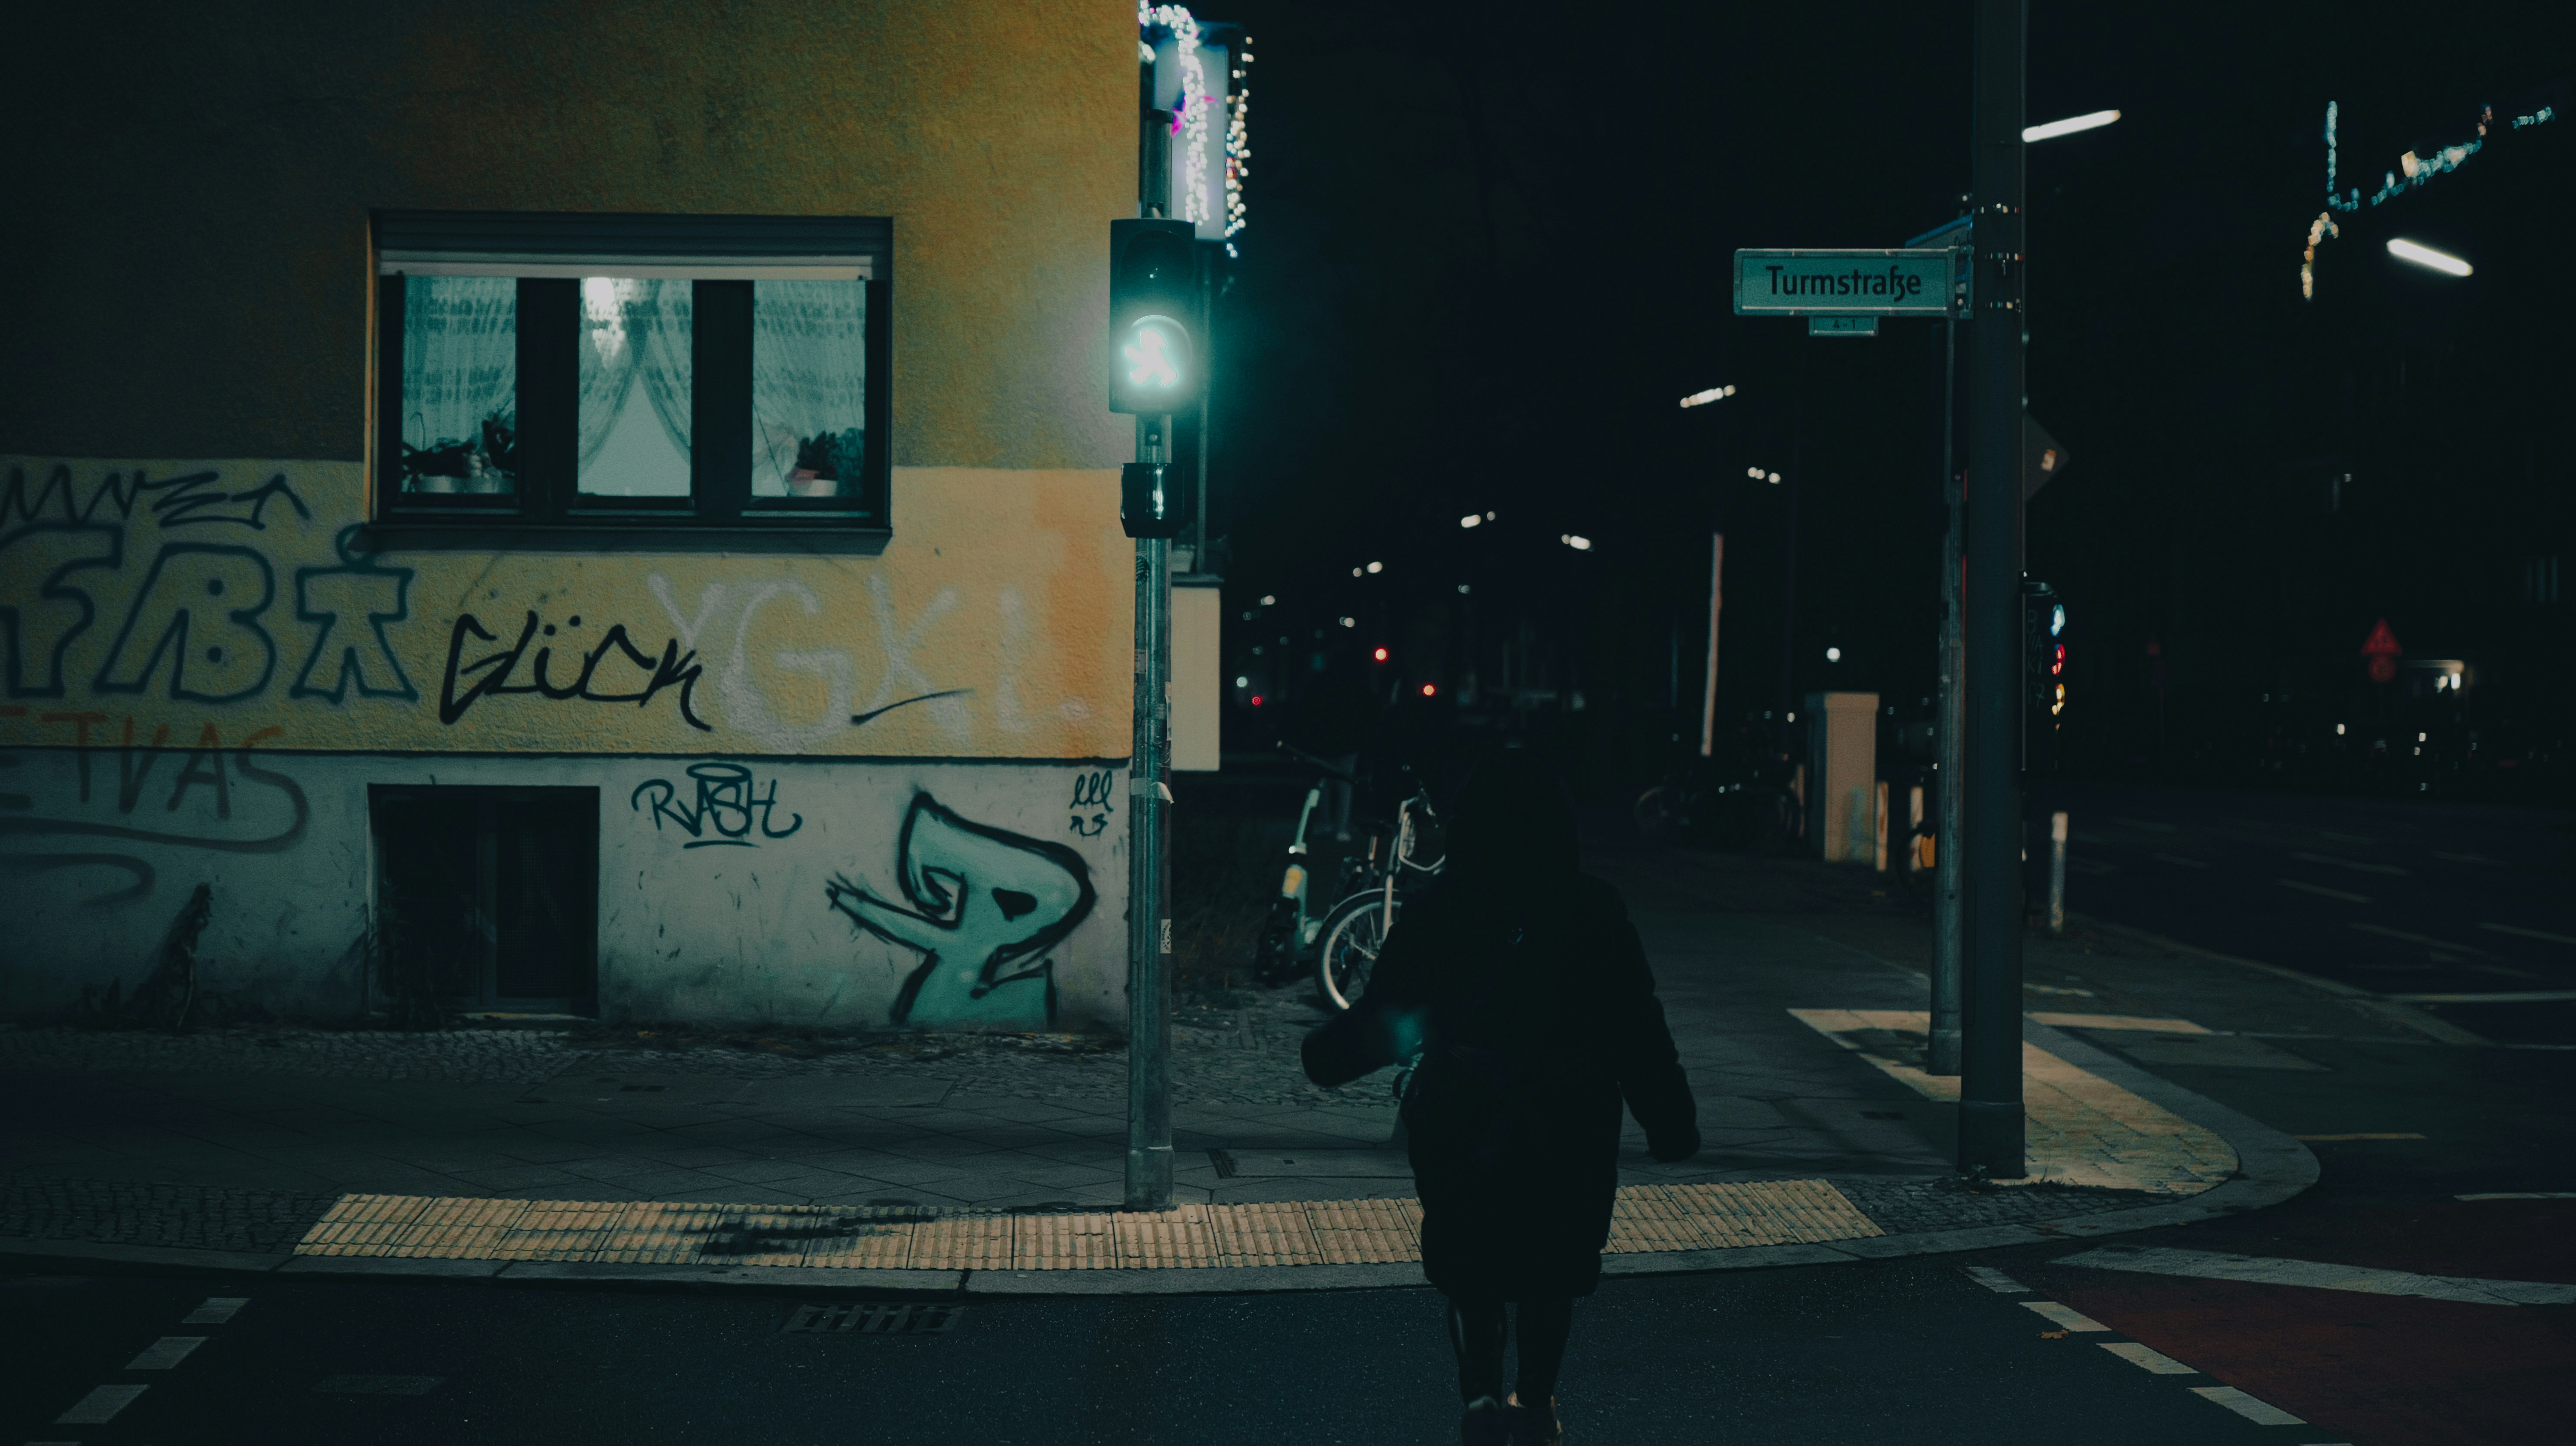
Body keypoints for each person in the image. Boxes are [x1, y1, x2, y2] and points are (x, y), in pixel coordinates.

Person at [1303, 751, 1699, 1445]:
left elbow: (1389, 1015)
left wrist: (1326, 1058)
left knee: (1471, 1264)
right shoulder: (1592, 908)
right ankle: (1536, 1402)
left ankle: (1480, 1397)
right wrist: (1670, 1123)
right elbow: (1637, 1025)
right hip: (1570, 1120)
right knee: (1552, 1269)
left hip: (1462, 1113)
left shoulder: (1442, 909)